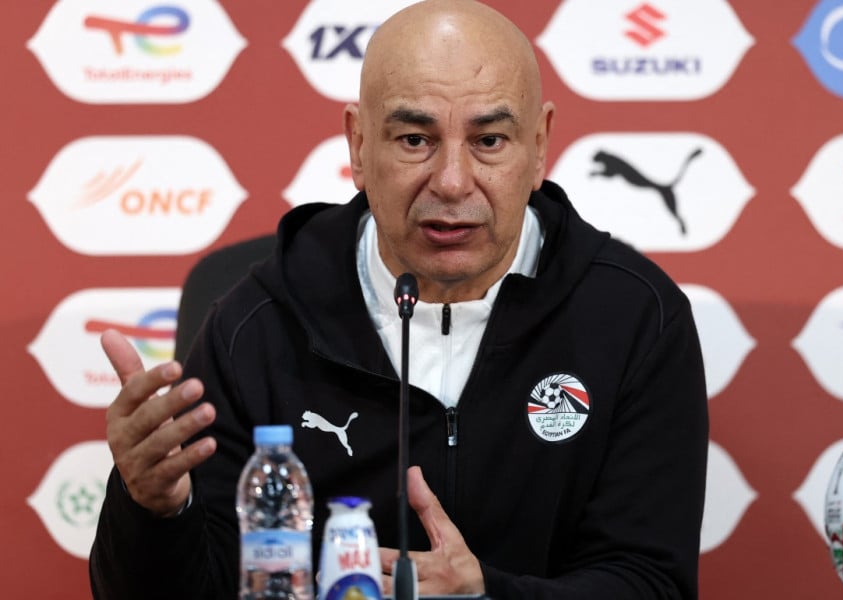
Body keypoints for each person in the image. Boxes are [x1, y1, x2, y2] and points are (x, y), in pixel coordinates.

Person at [89, 0, 709, 598]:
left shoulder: (634, 318)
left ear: (540, 146)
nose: (452, 182)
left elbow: (649, 581)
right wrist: (154, 512)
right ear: (359, 145)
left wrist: (487, 595)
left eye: (490, 141)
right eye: (415, 139)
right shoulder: (257, 325)